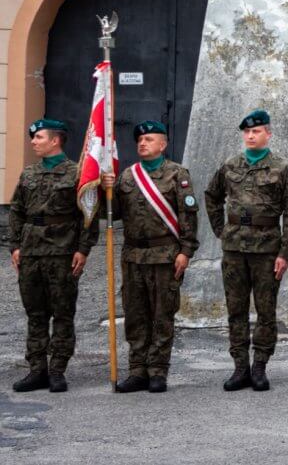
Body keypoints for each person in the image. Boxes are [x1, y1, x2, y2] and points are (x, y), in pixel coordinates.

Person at [204, 109, 288, 392]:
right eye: (246, 131)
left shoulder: (282, 168)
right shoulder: (230, 165)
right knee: (236, 310)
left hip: (267, 249)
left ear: (267, 134)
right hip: (234, 248)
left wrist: (286, 252)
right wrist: (220, 229)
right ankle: (240, 367)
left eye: (256, 131)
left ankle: (260, 366)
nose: (250, 135)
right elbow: (211, 196)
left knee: (265, 311)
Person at [105, 121, 199, 393]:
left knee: (162, 314)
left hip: (165, 255)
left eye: (149, 139)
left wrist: (185, 251)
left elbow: (188, 217)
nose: (142, 143)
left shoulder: (176, 174)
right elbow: (111, 215)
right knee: (136, 315)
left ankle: (157, 370)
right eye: (140, 140)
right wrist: (105, 192)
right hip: (133, 255)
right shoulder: (126, 176)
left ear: (163, 144)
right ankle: (137, 371)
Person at [9, 119, 96, 393]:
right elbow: (16, 210)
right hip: (32, 252)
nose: (33, 141)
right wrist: (15, 246)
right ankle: (37, 370)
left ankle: (58, 370)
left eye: (39, 137)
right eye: (34, 137)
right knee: (35, 314)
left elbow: (88, 215)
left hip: (62, 252)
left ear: (55, 140)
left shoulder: (77, 173)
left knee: (62, 313)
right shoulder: (28, 174)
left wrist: (83, 249)